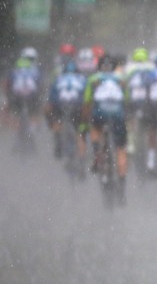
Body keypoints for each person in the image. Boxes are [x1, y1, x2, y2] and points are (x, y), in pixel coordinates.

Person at [82, 54, 130, 201]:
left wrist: (85, 122)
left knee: (94, 128)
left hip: (99, 113)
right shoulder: (121, 79)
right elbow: (126, 101)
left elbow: (88, 102)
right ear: (115, 67)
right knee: (121, 148)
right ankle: (121, 186)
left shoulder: (93, 79)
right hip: (117, 115)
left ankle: (97, 153)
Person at [44, 59, 87, 162]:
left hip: (60, 105)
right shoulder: (83, 79)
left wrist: (50, 119)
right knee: (79, 132)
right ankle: (81, 159)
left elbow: (52, 99)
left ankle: (57, 136)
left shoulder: (58, 79)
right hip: (77, 105)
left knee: (55, 117)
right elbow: (86, 97)